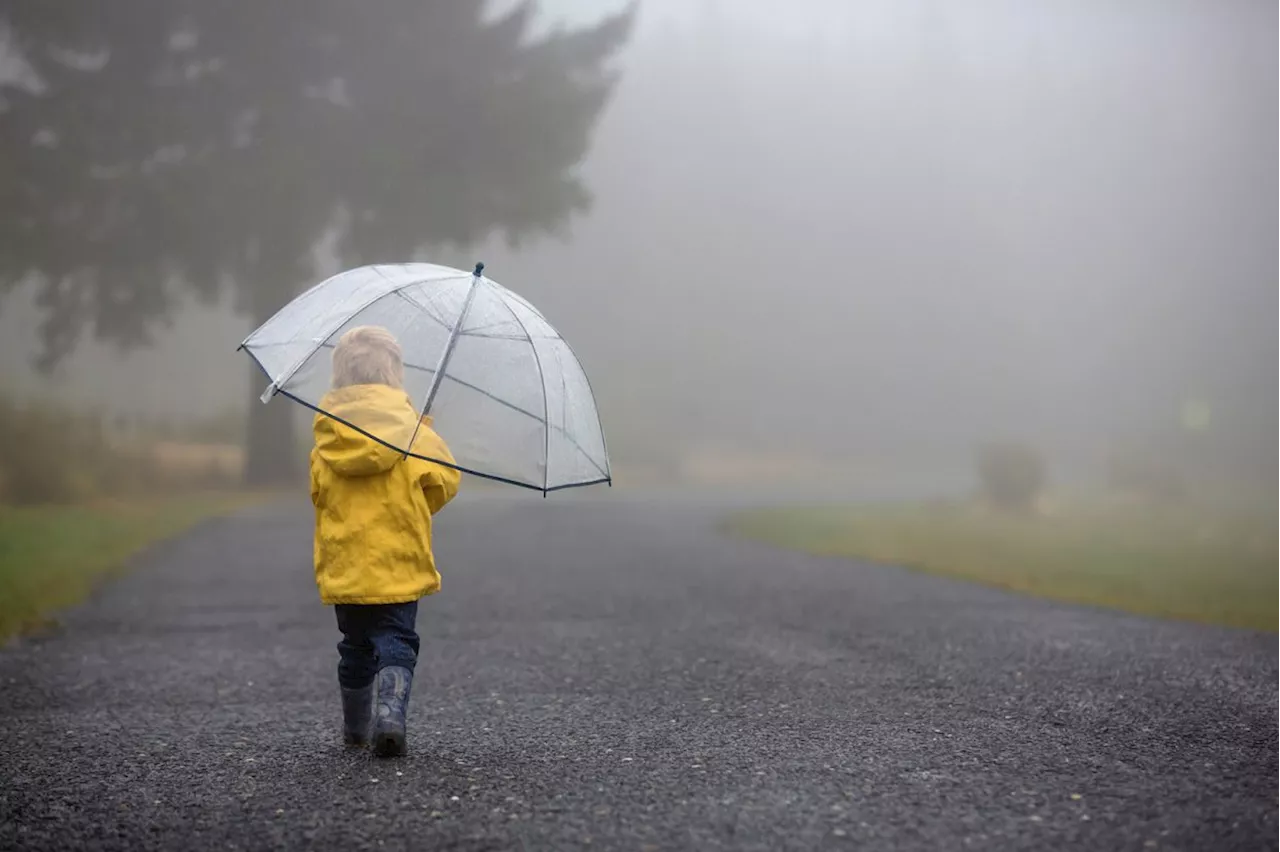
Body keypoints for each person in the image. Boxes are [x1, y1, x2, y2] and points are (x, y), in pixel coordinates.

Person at [309, 325, 461, 757]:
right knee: (397, 639)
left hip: (348, 566)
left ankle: (354, 729)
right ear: (395, 375)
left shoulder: (327, 436)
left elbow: (318, 494)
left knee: (354, 646)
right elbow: (445, 482)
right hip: (398, 559)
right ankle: (390, 716)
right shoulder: (414, 433)